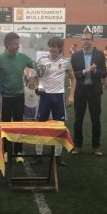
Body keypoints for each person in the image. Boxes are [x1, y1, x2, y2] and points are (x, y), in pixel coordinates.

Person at [32, 37, 76, 166]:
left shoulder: (65, 62)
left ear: (60, 48)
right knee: (39, 126)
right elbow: (35, 77)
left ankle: (57, 156)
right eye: (50, 46)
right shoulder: (42, 60)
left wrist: (71, 95)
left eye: (54, 46)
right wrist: (36, 87)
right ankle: (38, 155)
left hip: (58, 97)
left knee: (59, 127)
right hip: (44, 97)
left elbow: (73, 79)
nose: (51, 49)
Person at [0, 32, 35, 163]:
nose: (18, 46)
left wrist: (31, 78)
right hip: (5, 98)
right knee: (6, 126)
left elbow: (35, 67)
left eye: (19, 43)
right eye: (15, 44)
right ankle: (6, 152)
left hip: (19, 96)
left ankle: (18, 152)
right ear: (7, 44)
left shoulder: (23, 57)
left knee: (19, 125)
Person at [70, 31, 107, 156]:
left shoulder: (100, 55)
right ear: (81, 41)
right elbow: (72, 75)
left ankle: (96, 146)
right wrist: (85, 71)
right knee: (77, 120)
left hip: (94, 91)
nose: (85, 41)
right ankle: (77, 145)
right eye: (83, 39)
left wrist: (95, 71)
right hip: (80, 91)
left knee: (95, 119)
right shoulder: (75, 56)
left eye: (88, 39)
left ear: (92, 41)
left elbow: (104, 73)